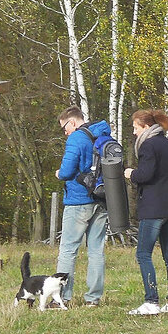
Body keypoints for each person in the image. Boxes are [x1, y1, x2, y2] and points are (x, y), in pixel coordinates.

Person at [124, 108, 168, 315]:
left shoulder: (148, 145)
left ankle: (151, 301)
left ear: (146, 127)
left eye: (135, 128)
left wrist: (132, 174)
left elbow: (146, 174)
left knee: (143, 254)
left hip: (154, 207)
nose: (134, 132)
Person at [55, 105, 109, 307]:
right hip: (101, 199)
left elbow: (68, 171)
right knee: (96, 250)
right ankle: (93, 299)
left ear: (73, 122)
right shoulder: (102, 135)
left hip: (78, 201)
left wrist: (59, 173)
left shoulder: (76, 138)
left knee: (68, 250)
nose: (65, 132)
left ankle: (63, 297)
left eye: (65, 127)